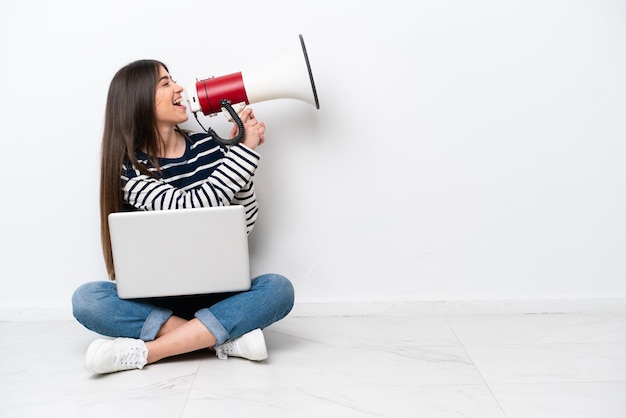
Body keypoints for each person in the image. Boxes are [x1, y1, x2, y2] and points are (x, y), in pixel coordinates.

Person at [71, 59, 295, 374]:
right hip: (158, 301)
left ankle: (148, 352)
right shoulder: (129, 170)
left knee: (279, 288)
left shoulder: (209, 147)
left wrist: (239, 163)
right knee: (87, 299)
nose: (179, 87)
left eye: (173, 79)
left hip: (219, 294)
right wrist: (244, 155)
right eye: (165, 83)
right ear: (138, 101)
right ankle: (221, 338)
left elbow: (243, 224)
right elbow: (188, 207)